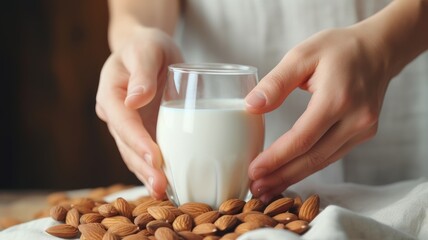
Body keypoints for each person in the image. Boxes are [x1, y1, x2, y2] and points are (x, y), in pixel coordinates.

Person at [96, 0, 428, 202]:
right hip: (200, 98)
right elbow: (137, 7)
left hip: (405, 107)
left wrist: (385, 46)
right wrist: (136, 35)